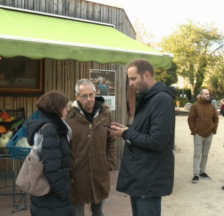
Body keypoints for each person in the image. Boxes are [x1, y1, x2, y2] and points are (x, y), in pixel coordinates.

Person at [108, 59, 176, 216]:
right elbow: (146, 131)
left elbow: (157, 141)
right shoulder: (148, 98)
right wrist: (127, 129)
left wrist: (126, 134)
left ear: (147, 75)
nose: (131, 84)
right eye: (129, 79)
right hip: (140, 178)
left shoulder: (161, 100)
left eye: (133, 79)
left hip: (149, 180)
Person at [66, 79, 117, 216]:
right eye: (84, 96)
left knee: (99, 212)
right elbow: (64, 146)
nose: (89, 99)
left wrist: (109, 163)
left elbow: (111, 140)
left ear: (95, 93)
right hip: (77, 175)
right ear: (77, 96)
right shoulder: (69, 117)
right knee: (76, 213)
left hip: (100, 172)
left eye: (91, 95)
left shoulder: (105, 114)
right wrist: (70, 167)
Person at [26, 91, 73, 216]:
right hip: (53, 198)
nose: (68, 109)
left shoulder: (49, 126)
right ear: (54, 108)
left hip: (48, 198)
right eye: (64, 106)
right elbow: (52, 168)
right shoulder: (50, 129)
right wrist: (63, 190)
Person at [188, 89, 219, 183]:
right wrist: (194, 131)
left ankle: (202, 171)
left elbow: (216, 119)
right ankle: (196, 174)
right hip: (198, 134)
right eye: (206, 94)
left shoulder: (212, 107)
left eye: (208, 94)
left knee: (205, 154)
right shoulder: (195, 106)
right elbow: (190, 119)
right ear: (201, 95)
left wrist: (213, 129)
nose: (208, 95)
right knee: (197, 154)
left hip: (209, 134)